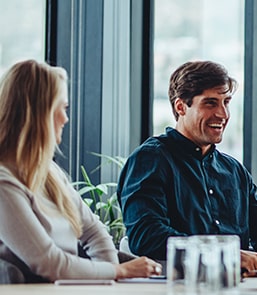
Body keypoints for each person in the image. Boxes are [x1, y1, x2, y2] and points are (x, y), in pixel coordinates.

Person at [117, 61, 257, 276]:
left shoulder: (233, 170)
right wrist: (226, 254)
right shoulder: (150, 159)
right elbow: (147, 236)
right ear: (181, 107)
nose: (223, 114)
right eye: (210, 103)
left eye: (226, 102)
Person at [0, 60, 161, 282]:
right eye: (62, 108)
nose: (65, 119)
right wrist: (119, 271)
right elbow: (49, 262)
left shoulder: (49, 173)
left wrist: (109, 276)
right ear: (39, 114)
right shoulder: (4, 185)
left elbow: (94, 231)